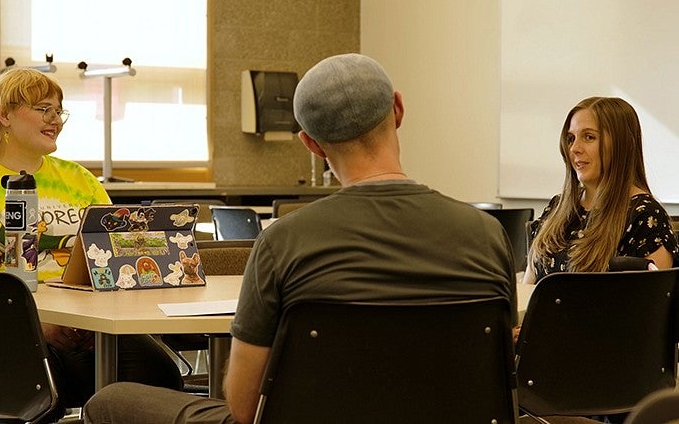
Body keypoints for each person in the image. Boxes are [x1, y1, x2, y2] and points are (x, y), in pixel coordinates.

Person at [82, 53, 516, 424]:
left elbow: (245, 407)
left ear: (311, 144)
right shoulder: (487, 235)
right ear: (398, 110)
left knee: (109, 401)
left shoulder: (283, 242)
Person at [0, 68, 183, 420]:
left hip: (82, 328)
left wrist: (94, 323)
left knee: (157, 372)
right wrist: (35, 325)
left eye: (59, 111)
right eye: (44, 109)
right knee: (28, 378)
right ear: (3, 113)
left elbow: (114, 262)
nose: (56, 119)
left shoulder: (79, 181)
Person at [523, 96, 679, 284]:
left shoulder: (646, 217)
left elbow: (648, 308)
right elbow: (528, 290)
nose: (574, 148)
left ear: (621, 145)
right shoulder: (557, 208)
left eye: (589, 137)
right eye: (571, 138)